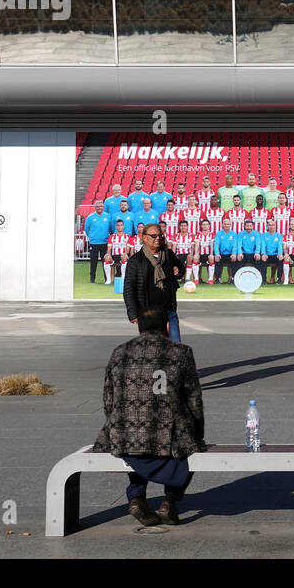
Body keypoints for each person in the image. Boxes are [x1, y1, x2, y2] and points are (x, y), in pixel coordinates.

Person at [92, 307, 205, 527]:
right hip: (167, 434)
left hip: (124, 434)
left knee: (136, 443)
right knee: (187, 447)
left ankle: (136, 497)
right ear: (166, 326)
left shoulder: (119, 352)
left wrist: (115, 424)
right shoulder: (181, 352)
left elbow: (108, 398)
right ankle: (170, 502)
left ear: (138, 326)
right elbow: (194, 398)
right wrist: (198, 432)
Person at [123, 224, 186, 343]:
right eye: (153, 236)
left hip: (169, 311)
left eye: (159, 235)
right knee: (151, 348)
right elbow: (129, 288)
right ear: (144, 238)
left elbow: (180, 268)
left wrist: (178, 271)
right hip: (148, 313)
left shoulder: (168, 254)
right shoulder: (136, 261)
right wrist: (132, 313)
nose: (157, 238)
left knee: (175, 345)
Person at [83, 200, 111, 283]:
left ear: (103, 207)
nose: (99, 208)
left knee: (105, 262)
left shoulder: (108, 216)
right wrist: (92, 237)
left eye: (101, 206)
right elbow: (86, 229)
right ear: (95, 207)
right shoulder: (90, 217)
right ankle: (92, 278)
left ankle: (107, 278)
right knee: (93, 261)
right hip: (94, 243)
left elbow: (111, 228)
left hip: (104, 242)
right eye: (98, 206)